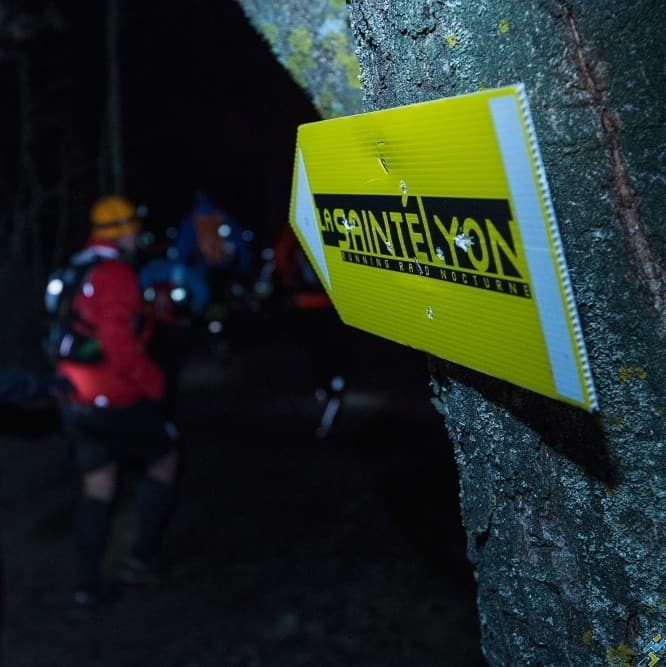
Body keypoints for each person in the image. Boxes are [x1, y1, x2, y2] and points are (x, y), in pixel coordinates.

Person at [53, 194, 180, 607]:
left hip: (74, 396)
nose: (138, 234)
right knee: (164, 459)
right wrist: (153, 382)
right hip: (117, 395)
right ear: (124, 231)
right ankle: (141, 559)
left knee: (98, 483)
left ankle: (86, 585)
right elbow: (117, 343)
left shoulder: (77, 268)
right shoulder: (115, 274)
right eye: (134, 227)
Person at [272, 223, 346, 439]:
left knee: (319, 353)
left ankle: (326, 393)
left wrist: (289, 283)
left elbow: (281, 256)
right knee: (329, 353)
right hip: (328, 302)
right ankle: (331, 390)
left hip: (309, 301)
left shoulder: (297, 220)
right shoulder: (329, 216)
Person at [174, 191, 255, 347]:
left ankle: (200, 332)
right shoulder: (223, 218)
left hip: (201, 271)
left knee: (200, 301)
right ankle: (223, 334)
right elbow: (242, 246)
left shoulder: (191, 221)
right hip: (224, 270)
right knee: (224, 301)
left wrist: (179, 276)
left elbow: (181, 251)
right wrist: (245, 270)